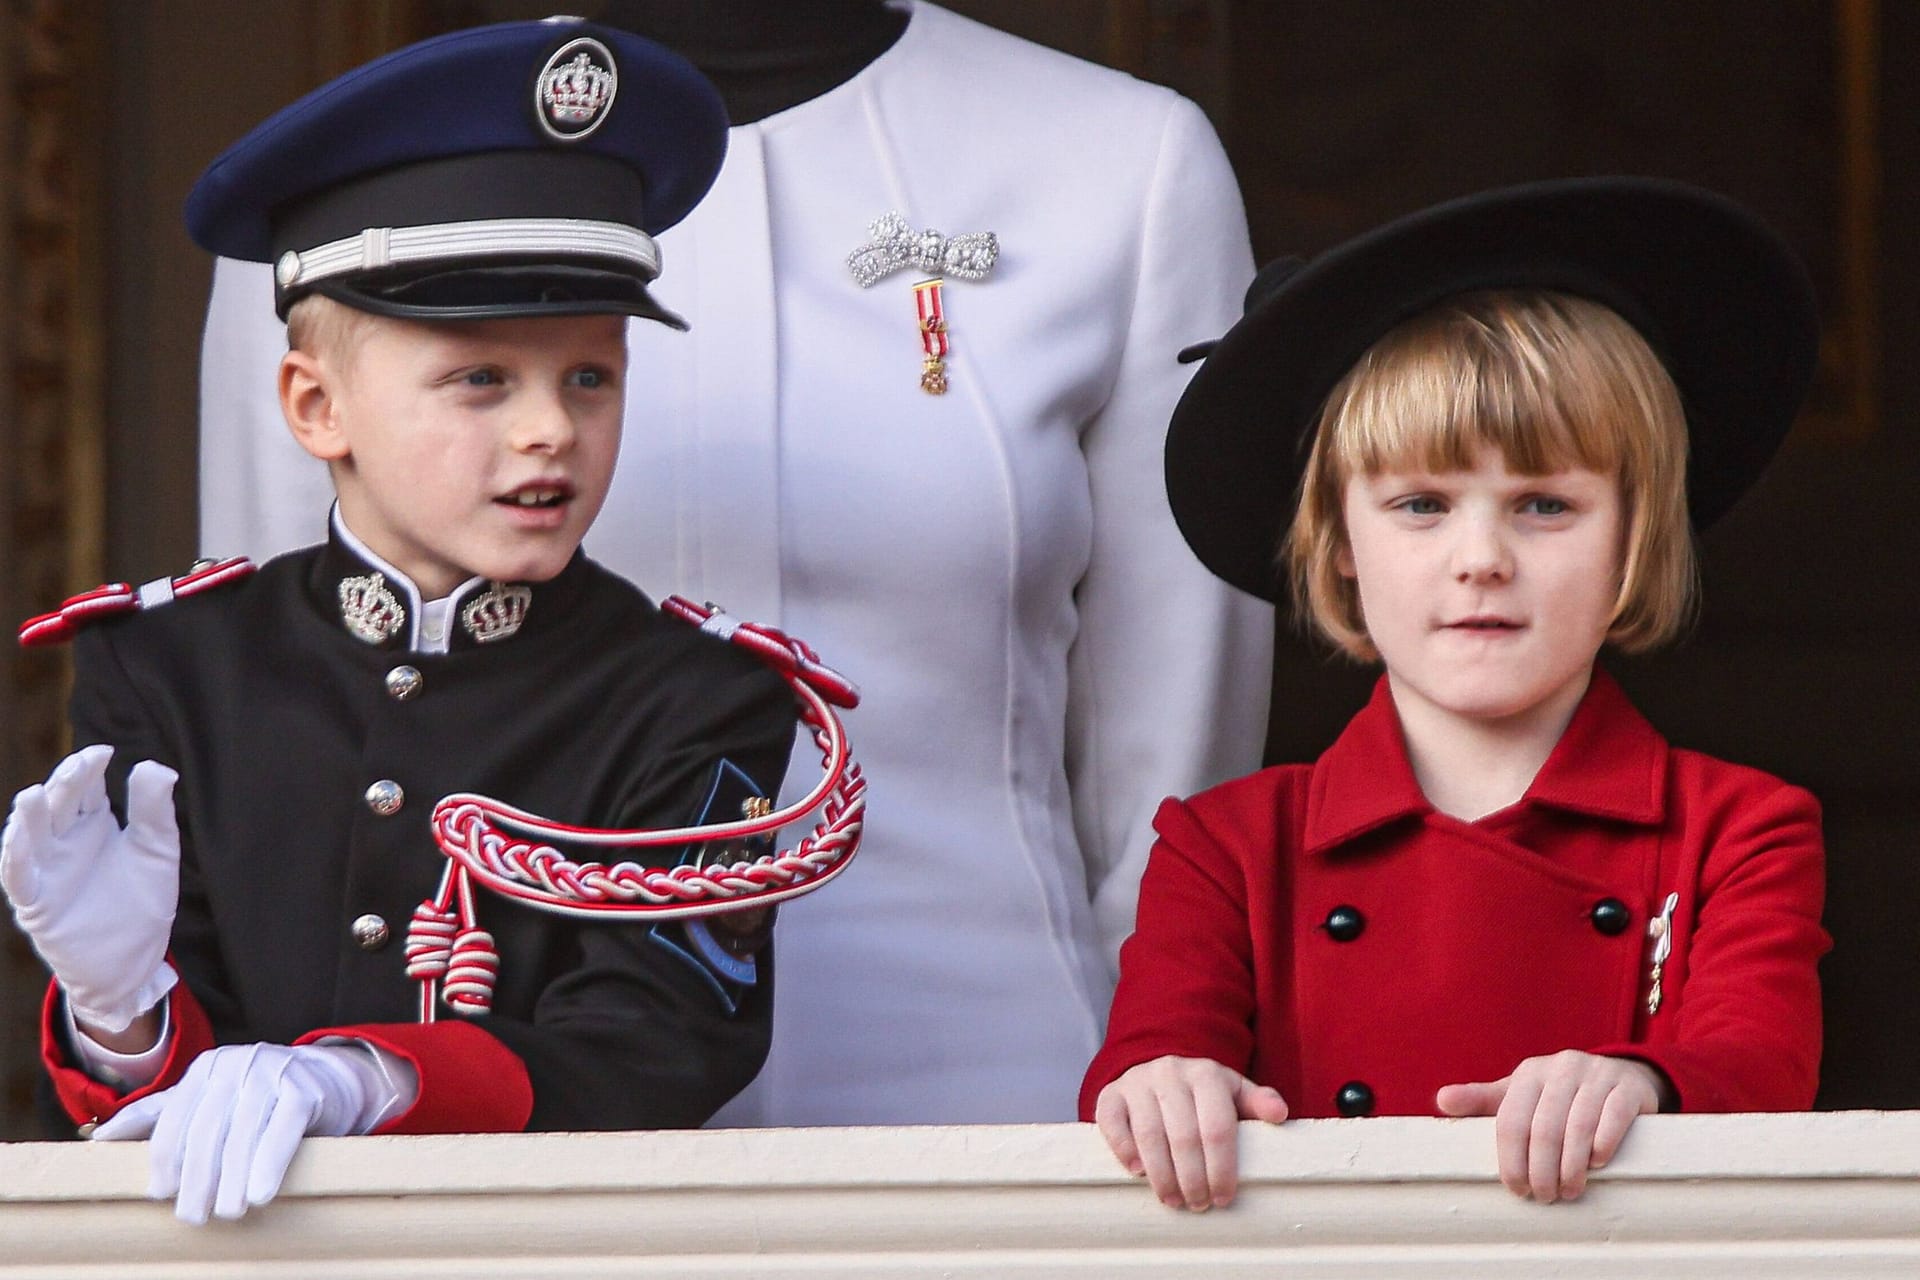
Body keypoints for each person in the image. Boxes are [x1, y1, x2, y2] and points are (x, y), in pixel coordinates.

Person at [194, 0, 1274, 1126]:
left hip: (993, 1090)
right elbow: (279, 709)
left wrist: (1147, 1060)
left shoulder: (1116, 161)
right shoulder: (347, 190)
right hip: (489, 1115)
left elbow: (1176, 775)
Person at [0, 20, 808, 1224]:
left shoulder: (697, 696)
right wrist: (123, 1011)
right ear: (316, 405)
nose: (551, 429)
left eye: (590, 374)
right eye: (482, 376)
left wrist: (363, 1077)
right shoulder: (173, 662)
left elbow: (661, 1043)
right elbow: (160, 1110)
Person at [1081, 178, 1831, 1209]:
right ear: (1342, 541)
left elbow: (1761, 1064)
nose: (1481, 558)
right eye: (1423, 503)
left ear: (1635, 535)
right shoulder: (1226, 845)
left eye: (1544, 504)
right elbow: (1146, 1058)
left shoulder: (1740, 828)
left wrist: (1643, 1079)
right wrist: (1161, 1086)